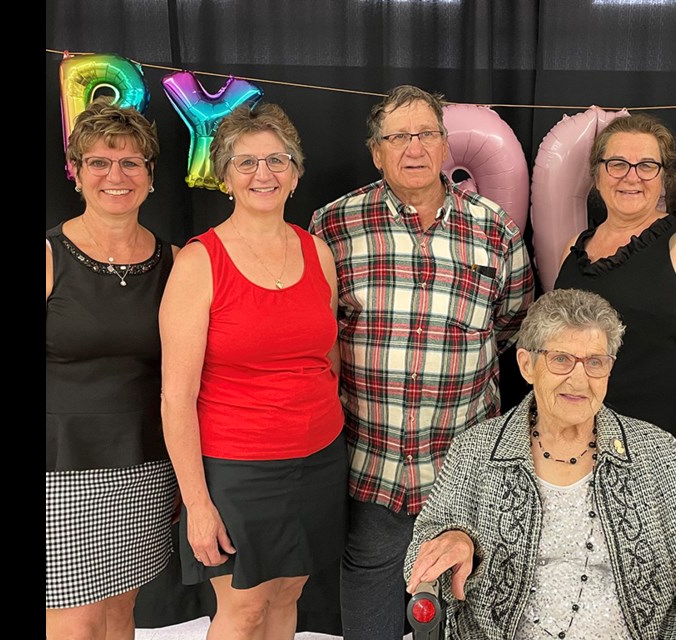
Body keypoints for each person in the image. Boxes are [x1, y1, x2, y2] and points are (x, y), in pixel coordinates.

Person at [406, 289, 676, 639]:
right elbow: (421, 549)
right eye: (561, 359)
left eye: (595, 362)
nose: (579, 379)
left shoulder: (656, 452)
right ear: (527, 365)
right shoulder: (477, 449)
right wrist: (453, 538)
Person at [310, 84, 535, 639]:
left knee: (464, 620)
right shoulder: (334, 226)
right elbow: (316, 335)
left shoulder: (496, 229)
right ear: (375, 151)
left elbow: (513, 326)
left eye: (426, 133)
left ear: (444, 144)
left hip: (465, 476)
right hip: (372, 470)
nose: (414, 147)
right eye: (397, 136)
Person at [160, 102, 346, 640]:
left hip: (318, 460)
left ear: (296, 172)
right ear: (225, 176)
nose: (263, 174)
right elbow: (176, 398)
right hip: (237, 470)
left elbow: (325, 356)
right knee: (243, 610)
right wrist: (197, 503)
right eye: (246, 162)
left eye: (276, 160)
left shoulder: (318, 252)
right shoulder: (201, 262)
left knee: (288, 595)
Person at [555, 114, 676, 518]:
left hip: (657, 463)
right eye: (617, 164)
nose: (630, 177)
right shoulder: (573, 248)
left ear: (664, 177)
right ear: (597, 175)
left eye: (647, 165)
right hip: (573, 459)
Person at [46, 97, 177, 639]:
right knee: (73, 625)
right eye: (98, 162)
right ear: (76, 174)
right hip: (61, 468)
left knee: (122, 615)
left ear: (150, 175)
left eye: (130, 162)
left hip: (147, 463)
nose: (115, 175)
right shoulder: (50, 255)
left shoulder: (174, 260)